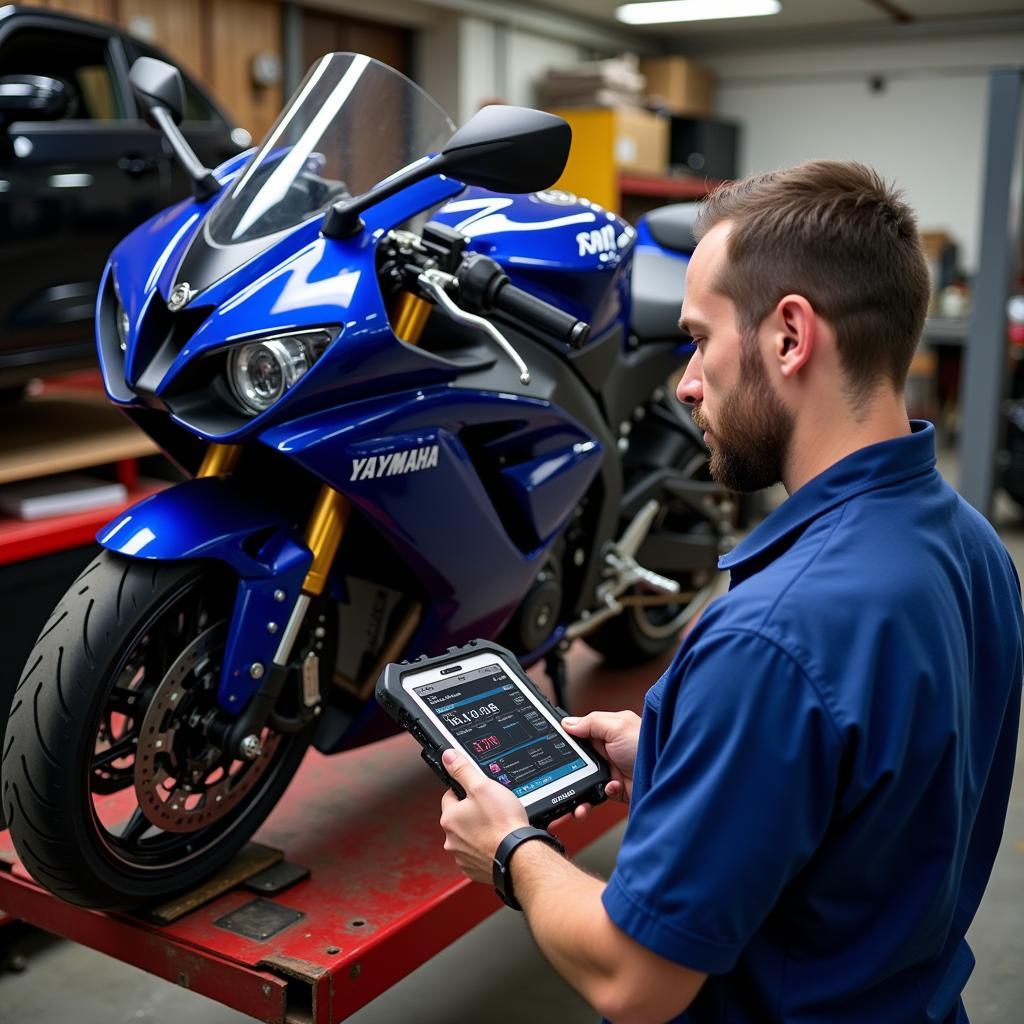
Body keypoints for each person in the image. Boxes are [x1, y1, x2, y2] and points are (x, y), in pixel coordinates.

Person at [438, 160, 1024, 1023]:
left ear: (789, 337)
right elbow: (872, 807)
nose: (685, 383)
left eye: (700, 339)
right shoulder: (973, 548)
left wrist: (509, 850)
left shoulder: (771, 637)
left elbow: (635, 979)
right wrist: (684, 751)